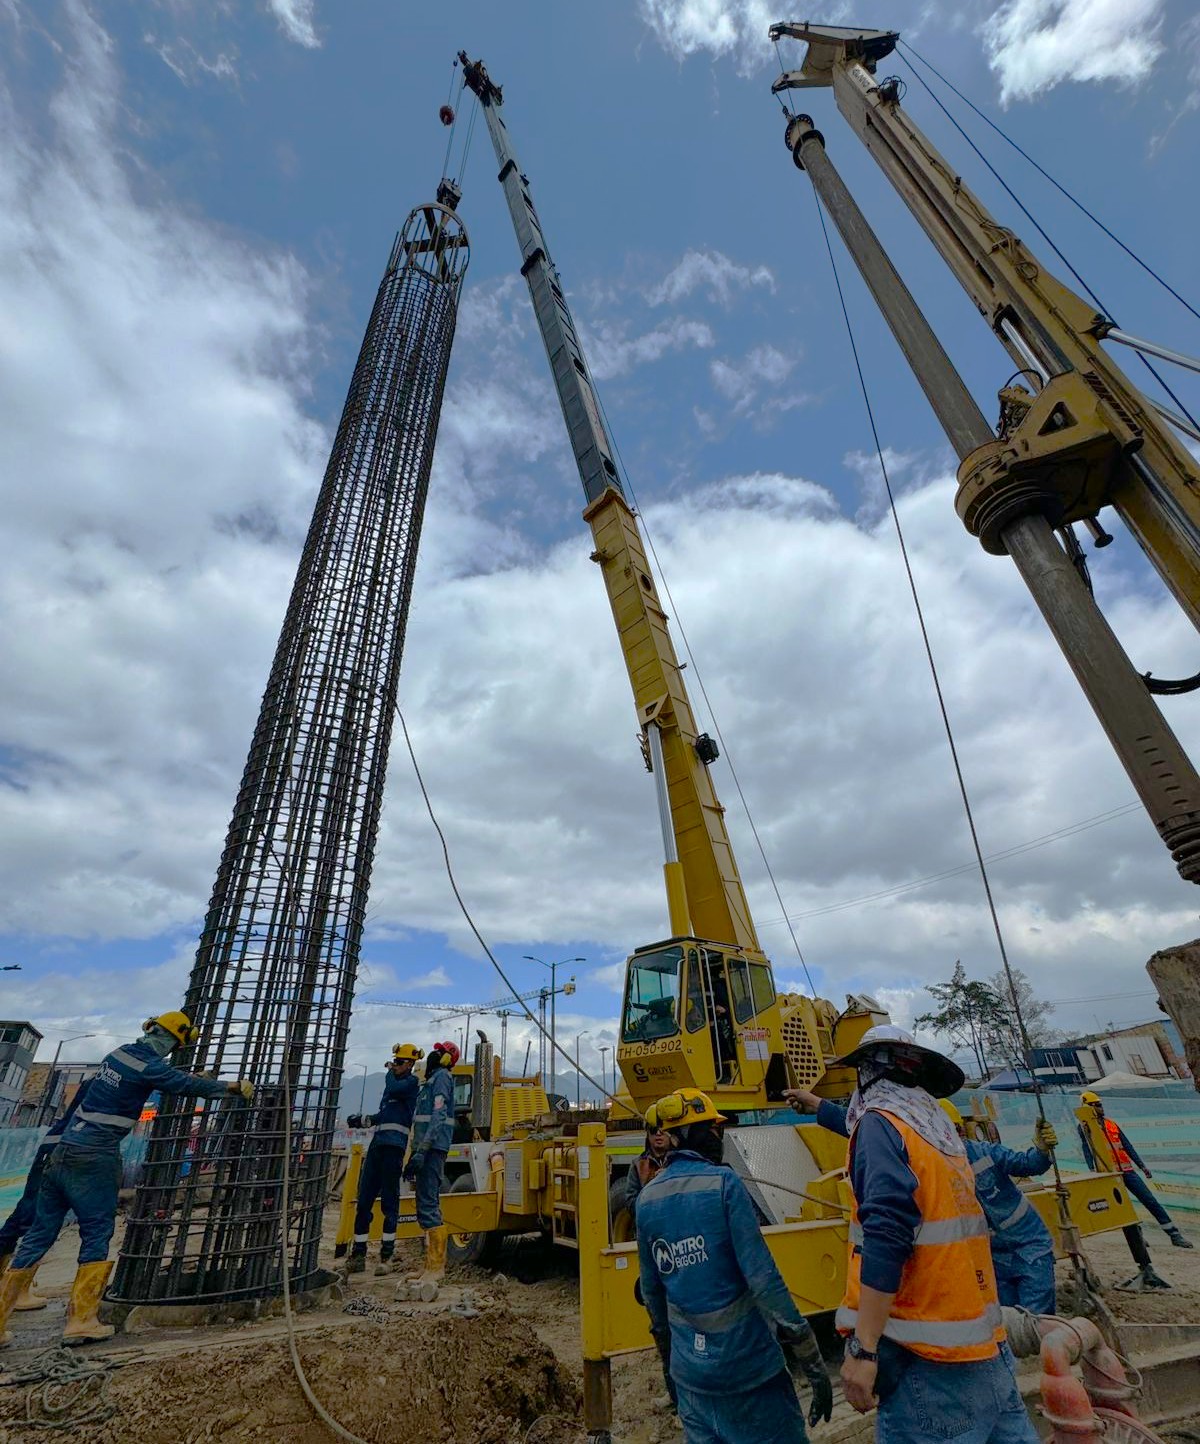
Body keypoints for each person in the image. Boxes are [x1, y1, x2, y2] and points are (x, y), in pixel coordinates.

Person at [817, 1024, 1038, 1444]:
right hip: (984, 1346)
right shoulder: (938, 1134)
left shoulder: (879, 1125)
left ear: (867, 1071)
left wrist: (864, 1347)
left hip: (927, 1361)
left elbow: (887, 1233)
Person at [0, 1011, 252, 1347]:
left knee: (38, 1234)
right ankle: (81, 1321)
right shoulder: (150, 1066)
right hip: (95, 1156)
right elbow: (181, 1084)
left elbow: (162, 1077)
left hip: (62, 1152)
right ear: (173, 1040)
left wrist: (190, 1077)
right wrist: (231, 1087)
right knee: (96, 1231)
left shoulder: (118, 1055)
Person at [635, 1086, 833, 1444]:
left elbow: (653, 1297)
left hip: (692, 1381)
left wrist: (670, 1370)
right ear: (689, 1134)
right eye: (714, 1129)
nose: (719, 1136)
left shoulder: (647, 1199)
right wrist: (812, 1362)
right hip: (750, 1373)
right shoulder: (724, 1185)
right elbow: (764, 1280)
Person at [786, 1085, 1060, 1316]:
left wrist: (1042, 1151)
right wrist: (819, 1106)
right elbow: (869, 1130)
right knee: (1006, 1320)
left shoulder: (985, 1154)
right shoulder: (925, 1160)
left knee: (1037, 1322)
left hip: (1029, 1248)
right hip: (993, 1257)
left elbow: (1027, 1163)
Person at [0, 1077, 95, 1311]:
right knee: (34, 1218)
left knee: (25, 1215)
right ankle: (15, 1291)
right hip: (63, 1148)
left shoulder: (98, 1079)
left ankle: (11, 1286)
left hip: (57, 1145)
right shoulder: (108, 1081)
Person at [1078, 1091, 1192, 1249]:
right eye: (1097, 1105)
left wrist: (1142, 1166)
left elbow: (1127, 1146)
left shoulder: (1111, 1124)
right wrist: (1092, 1169)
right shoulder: (1086, 1128)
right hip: (1110, 1175)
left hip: (1128, 1171)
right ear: (1088, 1107)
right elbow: (1087, 1149)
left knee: (1150, 1201)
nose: (1101, 1107)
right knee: (1124, 1208)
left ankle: (1174, 1234)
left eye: (1100, 1104)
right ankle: (1137, 1238)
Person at [345, 1043, 422, 1275]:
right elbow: (384, 1115)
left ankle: (386, 1256)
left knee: (390, 1202)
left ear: (410, 1064)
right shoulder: (392, 1091)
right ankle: (358, 1254)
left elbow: (394, 1086)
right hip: (378, 1146)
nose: (395, 1065)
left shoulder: (410, 1083)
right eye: (394, 1061)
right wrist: (363, 1121)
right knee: (364, 1200)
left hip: (394, 1148)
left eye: (399, 1062)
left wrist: (389, 1070)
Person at [402, 1039, 459, 1289]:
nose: (434, 1055)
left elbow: (438, 1115)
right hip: (425, 1148)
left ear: (446, 1058)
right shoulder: (430, 1082)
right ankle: (429, 1265)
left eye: (440, 1052)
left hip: (433, 1148)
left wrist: (423, 1149)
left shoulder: (442, 1078)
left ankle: (436, 1268)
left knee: (429, 1204)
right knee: (424, 1203)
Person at [623, 1118, 671, 1226]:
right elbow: (630, 1203)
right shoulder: (638, 1165)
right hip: (650, 1226)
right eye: (653, 1129)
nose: (658, 1133)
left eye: (663, 1129)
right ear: (648, 1134)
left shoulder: (680, 1162)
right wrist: (652, 1186)